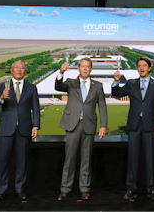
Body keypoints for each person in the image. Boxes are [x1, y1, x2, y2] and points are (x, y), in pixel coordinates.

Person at [112, 57, 154, 200]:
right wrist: (116, 81)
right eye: (139, 66)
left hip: (151, 126)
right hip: (134, 126)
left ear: (149, 68)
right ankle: (131, 189)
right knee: (132, 158)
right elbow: (116, 94)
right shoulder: (131, 83)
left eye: (144, 65)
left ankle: (152, 189)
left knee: (151, 159)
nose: (141, 68)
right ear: (137, 68)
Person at [55, 57, 107, 200]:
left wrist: (103, 125)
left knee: (86, 159)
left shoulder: (98, 86)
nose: (85, 69)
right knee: (69, 159)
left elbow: (102, 106)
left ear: (91, 69)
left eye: (87, 66)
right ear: (78, 68)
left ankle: (84, 189)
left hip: (89, 125)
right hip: (72, 124)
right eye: (82, 66)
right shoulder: (71, 83)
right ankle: (65, 189)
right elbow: (58, 87)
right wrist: (61, 72)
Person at [0, 60, 40, 202]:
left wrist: (35, 126)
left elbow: (36, 109)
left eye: (22, 68)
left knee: (22, 162)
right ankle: (1, 191)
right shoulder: (2, 86)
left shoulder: (31, 88)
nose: (19, 70)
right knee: (3, 161)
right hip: (6, 129)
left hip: (24, 129)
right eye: (16, 67)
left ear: (25, 71)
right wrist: (1, 97)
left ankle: (20, 190)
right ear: (11, 70)